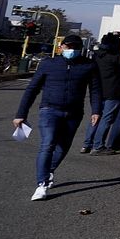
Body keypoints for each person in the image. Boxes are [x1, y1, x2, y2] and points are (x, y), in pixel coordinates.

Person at [13, 34, 101, 201]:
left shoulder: (89, 66)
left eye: (75, 47)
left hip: (74, 113)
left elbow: (95, 90)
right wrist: (21, 114)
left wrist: (96, 110)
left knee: (63, 147)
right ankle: (42, 184)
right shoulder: (48, 64)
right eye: (68, 46)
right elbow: (32, 89)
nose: (71, 50)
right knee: (47, 144)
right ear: (61, 47)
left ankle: (49, 170)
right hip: (49, 110)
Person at [81, 33, 120, 155]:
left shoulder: (96, 56)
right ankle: (98, 146)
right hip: (113, 90)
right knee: (106, 118)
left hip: (98, 89)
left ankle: (87, 144)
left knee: (96, 116)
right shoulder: (115, 57)